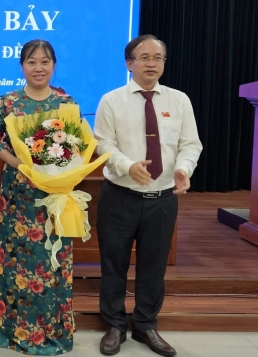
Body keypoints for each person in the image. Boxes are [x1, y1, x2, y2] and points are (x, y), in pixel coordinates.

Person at [93, 35, 202, 357]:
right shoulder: (112, 100)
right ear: (129, 63)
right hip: (120, 196)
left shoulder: (179, 100)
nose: (151, 63)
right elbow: (103, 143)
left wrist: (183, 168)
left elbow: (190, 144)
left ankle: (145, 325)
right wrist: (127, 166)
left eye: (158, 58)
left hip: (162, 199)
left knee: (153, 267)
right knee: (113, 264)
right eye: (144, 57)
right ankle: (114, 324)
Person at [0, 39, 78, 355]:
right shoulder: (7, 102)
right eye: (31, 61)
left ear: (53, 65)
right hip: (18, 195)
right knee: (18, 262)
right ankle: (14, 333)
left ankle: (53, 334)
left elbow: (76, 145)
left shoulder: (66, 102)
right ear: (22, 66)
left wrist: (59, 168)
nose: (38, 68)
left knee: (54, 262)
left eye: (45, 61)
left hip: (55, 195)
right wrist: (18, 163)